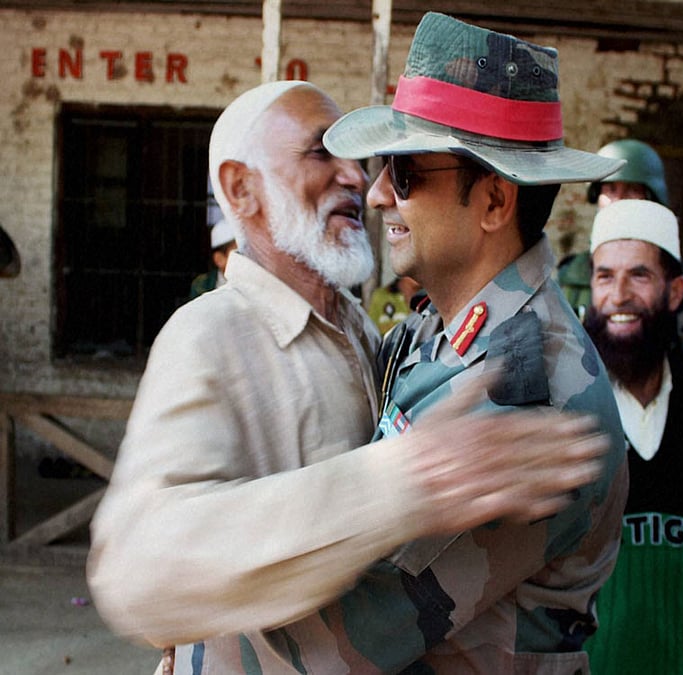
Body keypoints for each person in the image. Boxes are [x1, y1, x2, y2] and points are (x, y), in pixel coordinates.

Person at [87, 78, 612, 672]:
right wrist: (400, 483)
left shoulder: (376, 335)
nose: (365, 183)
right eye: (321, 153)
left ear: (494, 203)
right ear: (242, 188)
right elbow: (134, 570)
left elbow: (366, 625)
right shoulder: (210, 333)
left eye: (400, 171)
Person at [319, 11, 629, 672]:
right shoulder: (441, 329)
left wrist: (198, 643)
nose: (376, 196)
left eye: (404, 172)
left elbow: (344, 638)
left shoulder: (527, 395)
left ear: (493, 202)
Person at [580, 199, 683, 674]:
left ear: (675, 291)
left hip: (678, 661)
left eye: (639, 275)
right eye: (605, 276)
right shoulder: (567, 406)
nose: (619, 295)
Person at [557, 138, 683, 384]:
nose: (619, 201)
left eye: (632, 190)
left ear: (652, 197)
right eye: (610, 190)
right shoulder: (571, 277)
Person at [188, 217, 238, 299]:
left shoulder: (255, 283)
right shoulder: (202, 285)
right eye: (238, 253)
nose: (245, 259)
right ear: (219, 259)